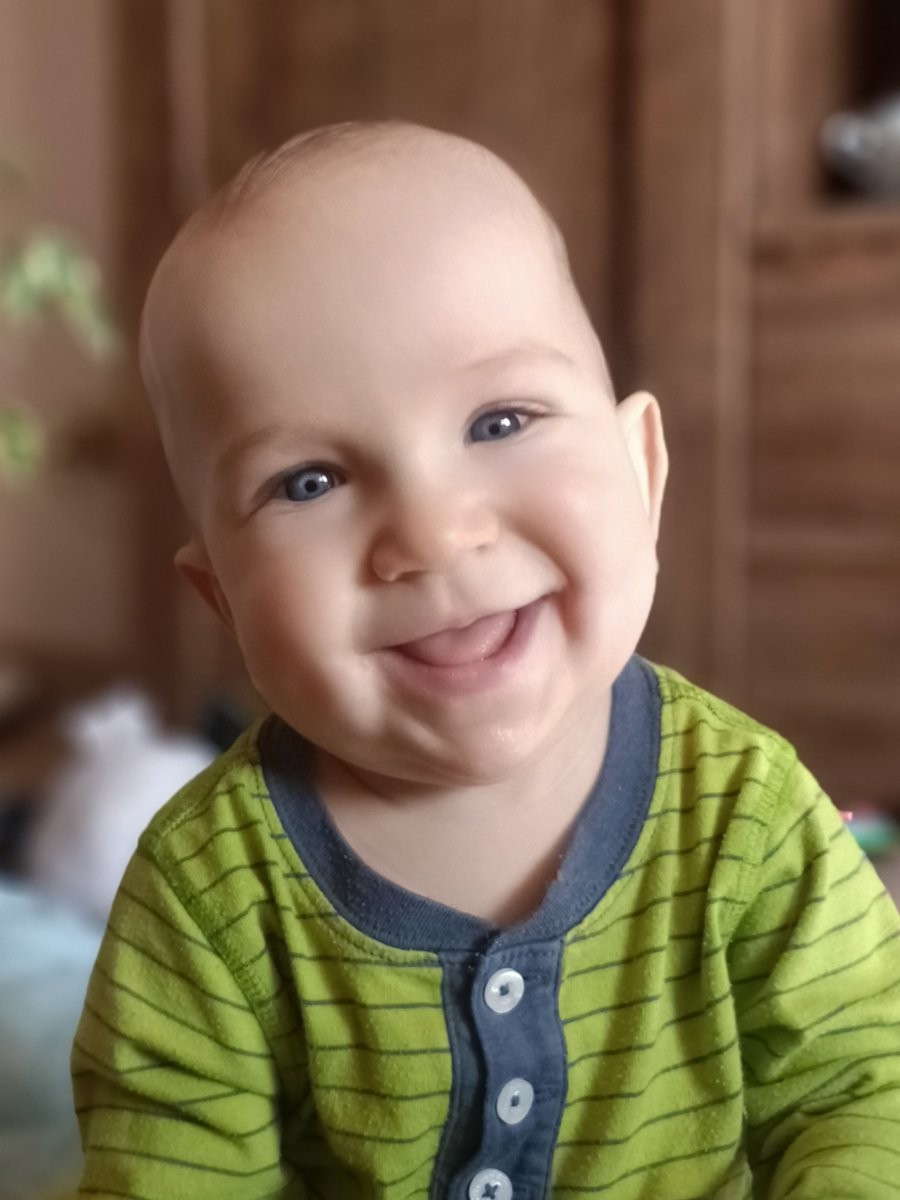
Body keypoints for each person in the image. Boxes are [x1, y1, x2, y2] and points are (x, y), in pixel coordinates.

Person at [71, 121, 900, 1200]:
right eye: (310, 481)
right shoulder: (207, 892)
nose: (431, 532)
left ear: (641, 471)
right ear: (223, 600)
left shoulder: (746, 811)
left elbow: (860, 1090)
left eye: (500, 421)